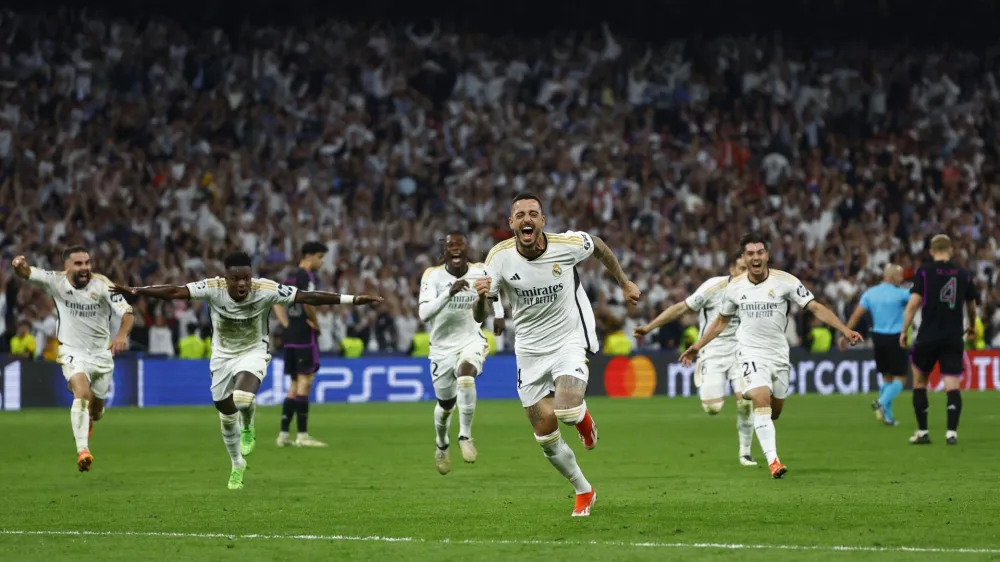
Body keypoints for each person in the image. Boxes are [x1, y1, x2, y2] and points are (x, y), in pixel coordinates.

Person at [112, 252, 383, 490]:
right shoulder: (212, 287)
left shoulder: (266, 289)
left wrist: (353, 299)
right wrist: (137, 290)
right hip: (221, 356)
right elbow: (174, 291)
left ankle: (249, 424)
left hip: (253, 351)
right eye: (236, 278)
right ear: (226, 278)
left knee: (242, 398)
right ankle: (236, 464)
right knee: (225, 415)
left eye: (246, 278)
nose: (242, 284)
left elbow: (306, 296)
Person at [473, 192, 641, 517]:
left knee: (566, 409)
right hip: (529, 350)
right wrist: (483, 299)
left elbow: (600, 245)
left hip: (568, 338)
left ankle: (584, 421)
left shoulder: (567, 245)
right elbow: (482, 313)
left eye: (533, 213)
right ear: (511, 223)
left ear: (542, 221)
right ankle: (583, 489)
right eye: (519, 214)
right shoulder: (498, 258)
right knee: (545, 434)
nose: (526, 219)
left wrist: (623, 281)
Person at [679, 232, 863, 479]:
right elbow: (721, 322)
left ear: (766, 255)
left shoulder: (785, 282)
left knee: (774, 410)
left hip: (778, 354)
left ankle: (758, 413)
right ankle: (773, 461)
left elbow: (815, 307)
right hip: (749, 352)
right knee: (760, 399)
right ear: (744, 257)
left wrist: (845, 329)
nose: (755, 257)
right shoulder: (735, 288)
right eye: (750, 253)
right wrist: (698, 346)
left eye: (760, 252)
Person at [11, 247, 135, 472]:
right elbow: (28, 273)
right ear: (67, 266)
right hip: (72, 351)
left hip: (101, 354)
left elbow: (128, 313)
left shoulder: (103, 284)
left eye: (87, 262)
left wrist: (121, 335)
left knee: (96, 412)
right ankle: (83, 451)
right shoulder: (55, 281)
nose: (85, 268)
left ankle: (88, 420)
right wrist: (19, 266)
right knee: (81, 391)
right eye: (78, 263)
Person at [634, 253, 756, 467]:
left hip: (742, 353)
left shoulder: (756, 291)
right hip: (712, 352)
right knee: (713, 409)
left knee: (746, 402)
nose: (744, 274)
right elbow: (681, 308)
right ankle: (711, 383)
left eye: (748, 269)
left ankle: (745, 452)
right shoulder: (713, 288)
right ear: (731, 269)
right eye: (741, 268)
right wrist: (649, 327)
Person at [418, 232, 505, 474]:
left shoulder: (480, 270)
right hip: (441, 348)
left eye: (460, 244)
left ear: (467, 249)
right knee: (445, 406)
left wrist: (498, 314)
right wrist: (449, 293)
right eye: (450, 245)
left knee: (466, 376)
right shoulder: (433, 276)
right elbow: (424, 314)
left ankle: (465, 436)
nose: (455, 248)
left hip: (470, 340)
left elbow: (492, 288)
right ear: (444, 251)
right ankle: (442, 443)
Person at [900, 235, 979, 446]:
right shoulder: (963, 274)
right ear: (951, 250)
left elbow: (913, 305)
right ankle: (951, 433)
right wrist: (971, 326)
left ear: (932, 251)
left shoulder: (924, 272)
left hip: (928, 335)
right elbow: (971, 307)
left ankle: (923, 431)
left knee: (919, 382)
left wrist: (903, 331)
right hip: (953, 336)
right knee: (952, 384)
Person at [273, 242, 329, 448]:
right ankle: (303, 435)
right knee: (306, 382)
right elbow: (308, 301)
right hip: (305, 336)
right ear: (309, 256)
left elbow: (275, 301)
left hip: (290, 337)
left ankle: (283, 435)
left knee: (295, 385)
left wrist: (286, 323)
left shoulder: (289, 277)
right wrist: (315, 323)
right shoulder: (306, 276)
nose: (321, 262)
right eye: (320, 257)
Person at [842, 264, 910, 426]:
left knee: (887, 377)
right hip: (895, 337)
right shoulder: (902, 294)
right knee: (900, 379)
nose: (902, 279)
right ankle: (880, 402)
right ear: (893, 277)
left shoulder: (870, 293)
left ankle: (888, 416)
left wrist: (846, 333)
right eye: (900, 275)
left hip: (878, 337)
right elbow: (917, 303)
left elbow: (857, 315)